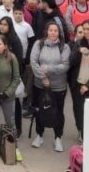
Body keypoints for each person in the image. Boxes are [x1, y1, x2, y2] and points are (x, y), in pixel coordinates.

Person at [29, 22, 70, 152]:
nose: (53, 33)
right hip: (40, 85)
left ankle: (58, 138)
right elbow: (33, 62)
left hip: (58, 86)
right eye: (51, 30)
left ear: (59, 33)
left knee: (58, 112)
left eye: (55, 31)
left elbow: (65, 66)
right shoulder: (38, 44)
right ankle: (39, 135)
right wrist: (43, 77)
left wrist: (47, 68)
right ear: (46, 31)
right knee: (39, 110)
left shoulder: (64, 47)